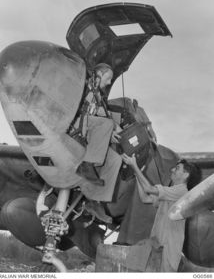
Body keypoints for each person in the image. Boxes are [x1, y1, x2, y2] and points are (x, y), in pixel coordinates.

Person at [121, 153, 201, 272]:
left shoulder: (182, 191)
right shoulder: (171, 193)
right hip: (158, 245)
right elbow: (145, 197)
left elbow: (148, 189)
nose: (172, 170)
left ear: (186, 175)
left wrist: (135, 166)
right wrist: (136, 173)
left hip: (168, 249)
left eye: (177, 168)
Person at [77, 63, 122, 223]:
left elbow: (104, 119)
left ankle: (95, 201)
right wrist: (110, 128)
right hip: (77, 127)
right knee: (107, 125)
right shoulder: (82, 87)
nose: (109, 82)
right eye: (108, 78)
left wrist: (114, 131)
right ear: (99, 74)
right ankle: (86, 164)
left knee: (116, 160)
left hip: (91, 133)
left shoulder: (99, 98)